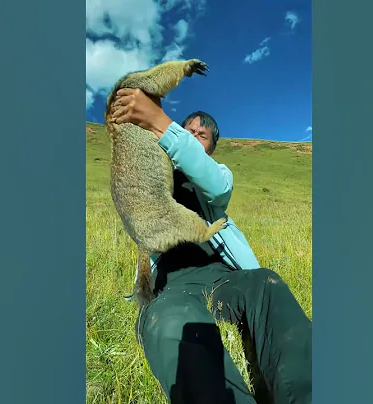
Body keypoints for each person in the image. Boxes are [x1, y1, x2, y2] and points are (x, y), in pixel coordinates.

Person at [110, 88, 312, 404]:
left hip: (223, 279)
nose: (191, 138)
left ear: (211, 149)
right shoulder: (154, 178)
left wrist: (163, 124)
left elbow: (217, 186)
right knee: (171, 320)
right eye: (187, 131)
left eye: (200, 136)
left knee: (267, 284)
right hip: (174, 287)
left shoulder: (216, 177)